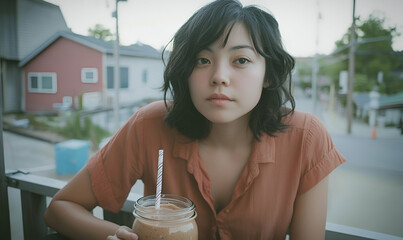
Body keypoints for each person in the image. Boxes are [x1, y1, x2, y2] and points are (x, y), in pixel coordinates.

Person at [44, 0, 346, 239]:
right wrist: (118, 234)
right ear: (186, 71)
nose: (219, 77)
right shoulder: (150, 125)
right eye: (202, 60)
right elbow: (61, 208)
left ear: (268, 75)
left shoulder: (306, 137)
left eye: (241, 60)